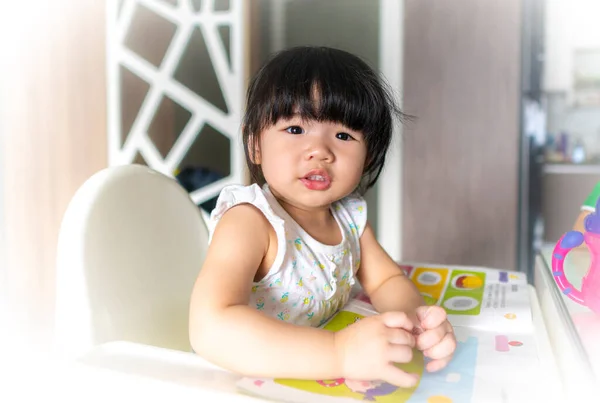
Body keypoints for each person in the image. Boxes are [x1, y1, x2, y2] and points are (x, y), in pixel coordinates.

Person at [188, 46, 456, 388]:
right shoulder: (250, 222)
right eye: (296, 129)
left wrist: (414, 324)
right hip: (237, 382)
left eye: (343, 135)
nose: (321, 151)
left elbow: (387, 281)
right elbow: (210, 328)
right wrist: (339, 353)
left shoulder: (349, 218)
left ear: (368, 155)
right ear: (255, 144)